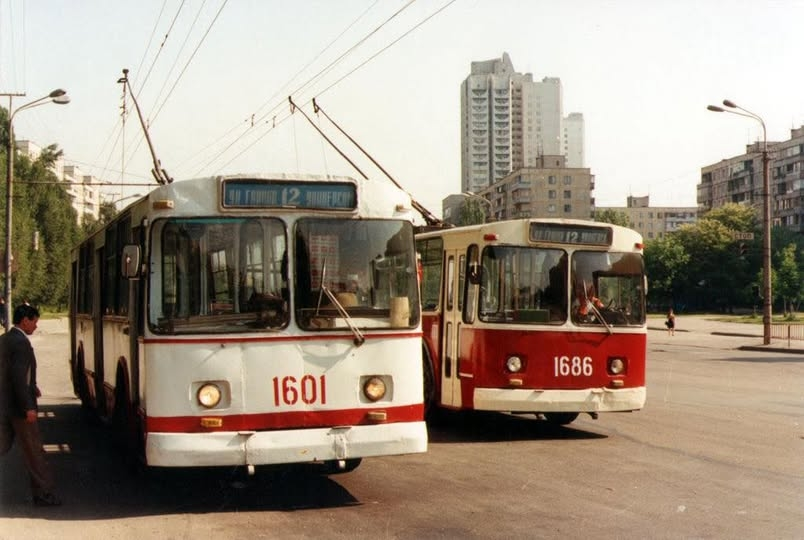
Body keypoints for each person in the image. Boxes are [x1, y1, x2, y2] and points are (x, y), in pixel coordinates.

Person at [0, 304, 61, 506]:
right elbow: (19, 378)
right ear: (25, 320)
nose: (36, 326)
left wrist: (32, 386)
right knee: (35, 453)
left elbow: (9, 375)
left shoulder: (5, 339)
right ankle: (43, 494)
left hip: (5, 405)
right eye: (34, 321)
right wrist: (29, 407)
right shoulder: (21, 343)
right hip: (19, 409)